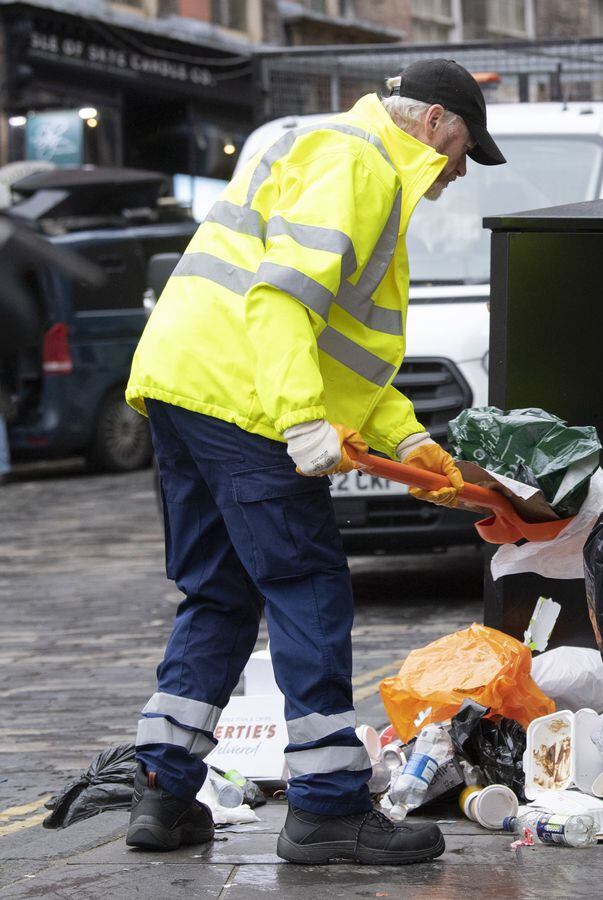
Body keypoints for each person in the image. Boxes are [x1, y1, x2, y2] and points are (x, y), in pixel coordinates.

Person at [123, 59, 505, 865]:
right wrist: (299, 421)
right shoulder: (360, 163)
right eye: (467, 147)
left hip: (187, 384)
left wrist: (410, 442)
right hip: (244, 398)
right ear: (435, 122)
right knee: (307, 585)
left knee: (220, 592)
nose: (461, 170)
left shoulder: (338, 151)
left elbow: (346, 352)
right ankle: (328, 807)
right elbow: (282, 299)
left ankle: (161, 792)